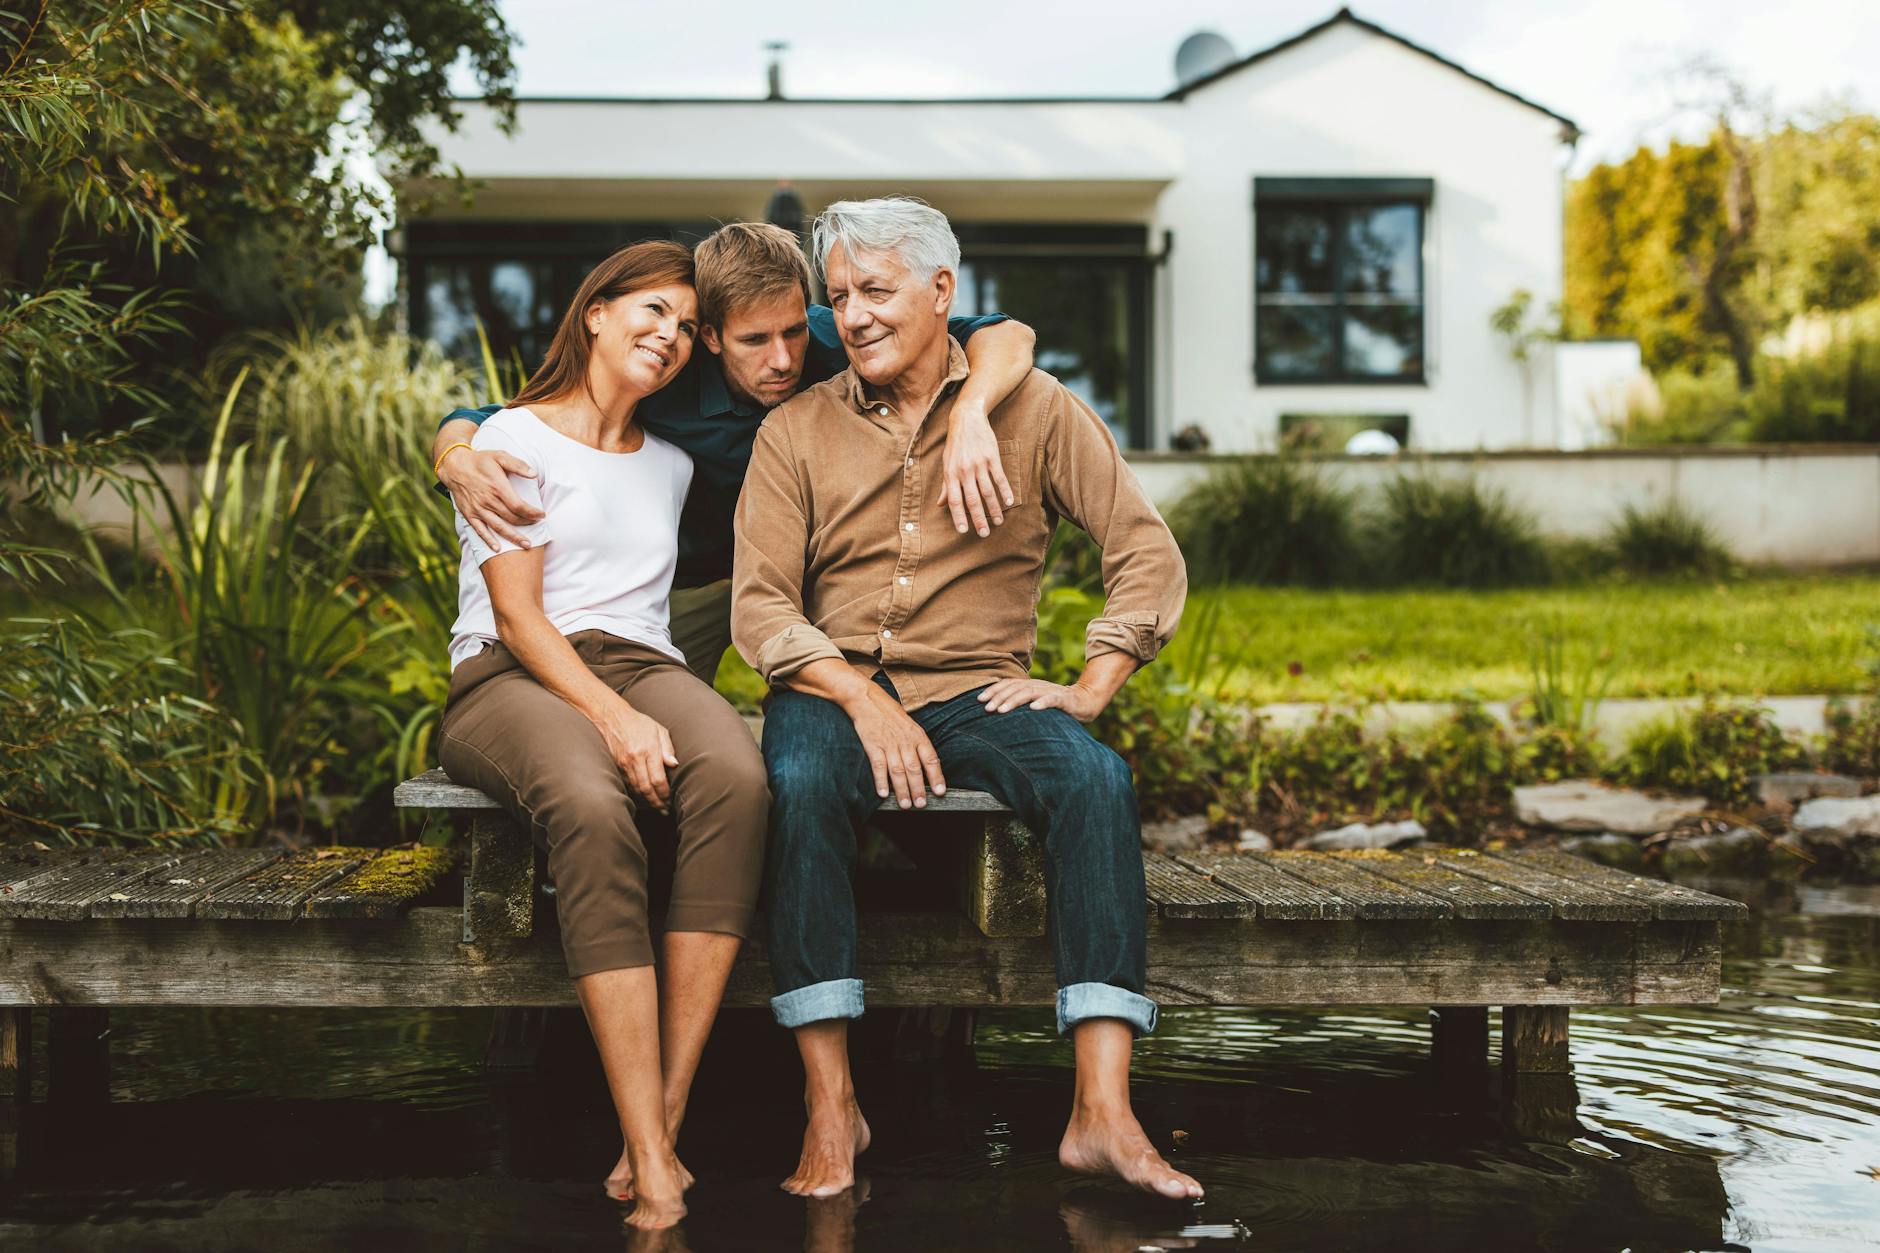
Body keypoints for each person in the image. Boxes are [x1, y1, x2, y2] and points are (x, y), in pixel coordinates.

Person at [732, 197, 1201, 1202]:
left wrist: (1090, 682)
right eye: (840, 296)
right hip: (832, 683)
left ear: (941, 292)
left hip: (974, 685)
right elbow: (761, 606)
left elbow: (1144, 552)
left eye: (876, 291)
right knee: (801, 780)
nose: (851, 316)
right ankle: (830, 1101)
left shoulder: (1031, 410)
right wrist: (858, 698)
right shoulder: (794, 431)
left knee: (1092, 778)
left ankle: (1100, 1110)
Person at [436, 240, 765, 1231]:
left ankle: (654, 1122)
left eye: (682, 325)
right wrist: (614, 717)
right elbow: (524, 618)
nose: (666, 335)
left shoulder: (671, 462)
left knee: (740, 780)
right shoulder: (509, 440)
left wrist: (638, 699)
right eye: (649, 311)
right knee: (588, 801)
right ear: (594, 313)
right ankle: (657, 1164)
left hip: (643, 661)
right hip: (507, 670)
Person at [431, 222, 1039, 687]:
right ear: (713, 338)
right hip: (697, 579)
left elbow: (1009, 335)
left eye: (793, 331)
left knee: (847, 723)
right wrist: (455, 455)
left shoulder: (832, 335)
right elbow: (501, 418)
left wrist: (970, 413)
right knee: (642, 723)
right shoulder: (665, 373)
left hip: (816, 574)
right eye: (755, 340)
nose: (782, 358)